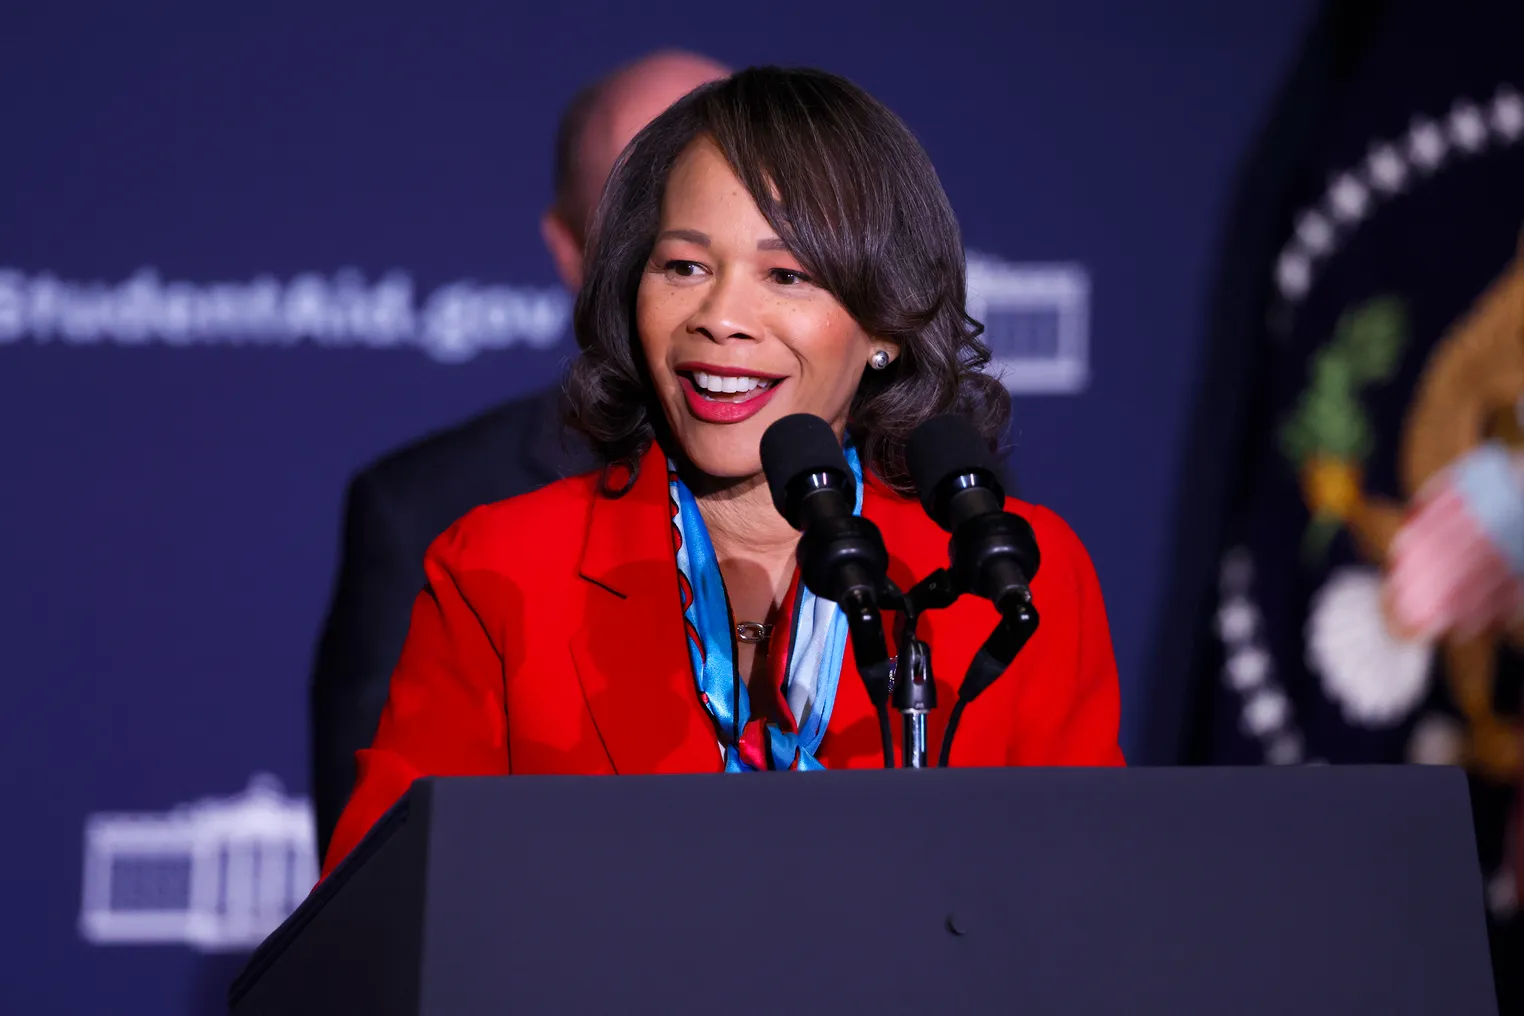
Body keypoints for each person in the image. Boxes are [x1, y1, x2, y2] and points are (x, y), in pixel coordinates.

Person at [321, 66, 1125, 879]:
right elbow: (380, 929)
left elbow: (1087, 920)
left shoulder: (1015, 583)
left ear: (886, 321)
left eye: (787, 275)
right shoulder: (500, 568)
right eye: (684, 268)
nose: (721, 319)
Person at [308, 50, 729, 857]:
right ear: (572, 251)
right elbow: (383, 895)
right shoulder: (429, 514)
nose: (708, 280)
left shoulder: (934, 494)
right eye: (647, 223)